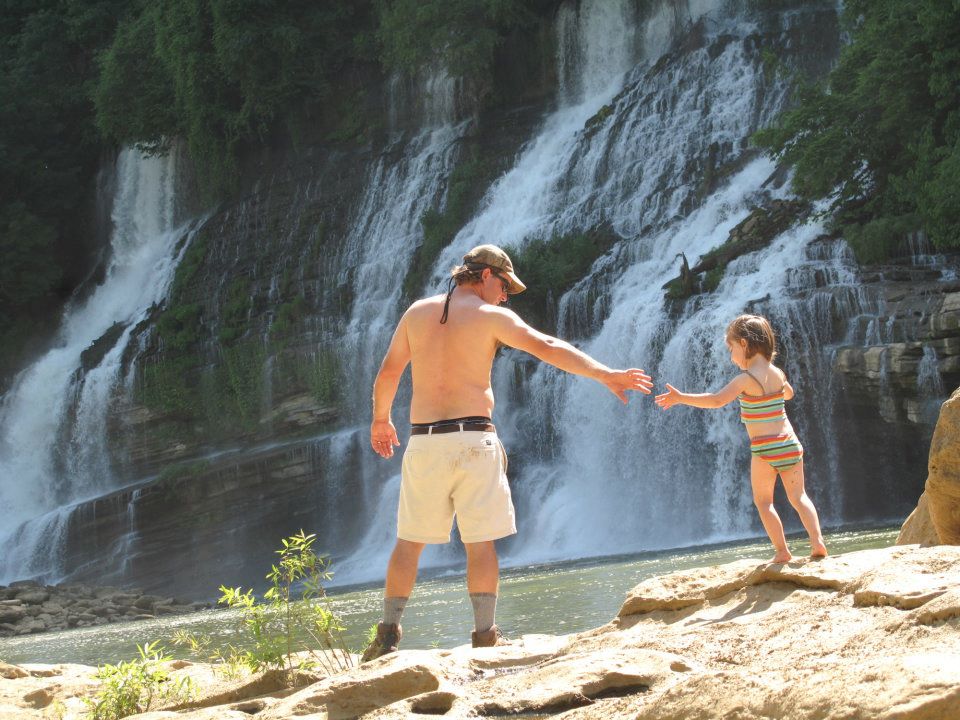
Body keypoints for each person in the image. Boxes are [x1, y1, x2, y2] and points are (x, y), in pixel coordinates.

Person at [363, 244, 653, 661]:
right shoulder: (492, 317)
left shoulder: (416, 313)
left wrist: (380, 420)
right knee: (481, 544)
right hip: (474, 439)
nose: (505, 296)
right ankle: (485, 637)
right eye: (503, 286)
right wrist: (604, 374)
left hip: (425, 441)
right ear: (483, 275)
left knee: (409, 543)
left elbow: (389, 372)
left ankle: (387, 637)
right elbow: (547, 346)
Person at [654, 314, 827, 564]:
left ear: (744, 344)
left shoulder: (745, 380)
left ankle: (782, 551)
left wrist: (681, 397)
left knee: (764, 502)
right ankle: (817, 543)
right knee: (799, 497)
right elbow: (789, 394)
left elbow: (716, 400)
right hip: (789, 443)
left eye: (731, 348)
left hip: (764, 449)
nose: (731, 355)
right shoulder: (778, 372)